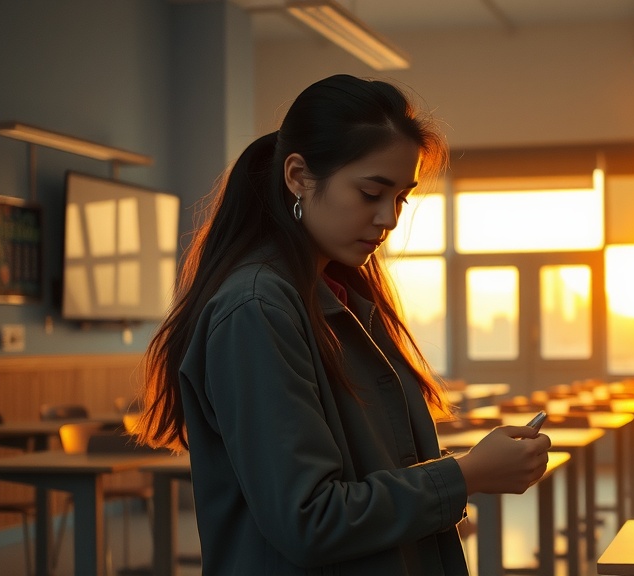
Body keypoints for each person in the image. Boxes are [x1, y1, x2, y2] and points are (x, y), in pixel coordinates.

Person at [136, 74, 551, 575]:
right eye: (372, 192)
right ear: (298, 176)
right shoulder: (256, 311)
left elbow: (367, 470)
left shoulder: (337, 297)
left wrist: (467, 470)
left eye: (401, 197)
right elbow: (311, 518)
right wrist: (465, 475)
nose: (390, 217)